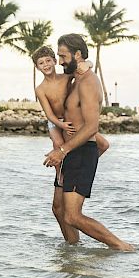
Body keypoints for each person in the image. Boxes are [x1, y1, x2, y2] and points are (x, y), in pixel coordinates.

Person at [44, 34, 133, 251]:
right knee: (58, 209)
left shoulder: (88, 82)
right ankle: (73, 253)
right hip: (72, 153)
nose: (60, 61)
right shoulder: (75, 78)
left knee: (73, 216)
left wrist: (62, 151)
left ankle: (122, 248)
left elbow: (92, 127)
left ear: (76, 54)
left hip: (79, 151)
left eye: (63, 56)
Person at [33, 46, 109, 186]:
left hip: (71, 119)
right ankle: (60, 174)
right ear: (37, 67)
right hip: (55, 121)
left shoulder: (66, 78)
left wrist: (88, 64)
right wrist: (60, 124)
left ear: (55, 61)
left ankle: (85, 166)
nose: (46, 65)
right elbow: (48, 114)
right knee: (59, 145)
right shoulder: (40, 89)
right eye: (41, 63)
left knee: (104, 144)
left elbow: (83, 72)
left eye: (48, 60)